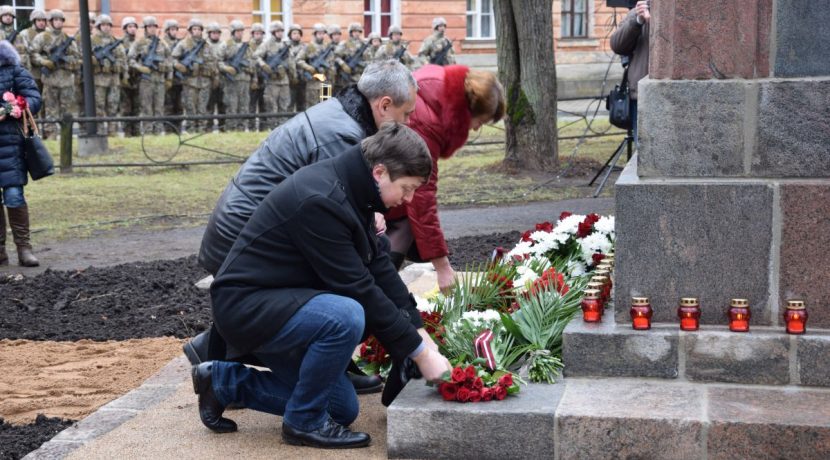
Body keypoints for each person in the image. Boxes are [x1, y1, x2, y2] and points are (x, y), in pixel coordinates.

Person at [194, 122, 452, 448]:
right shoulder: (322, 199)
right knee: (346, 314)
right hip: (248, 306)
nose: (409, 198)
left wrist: (418, 331)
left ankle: (222, 382)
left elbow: (378, 266)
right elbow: (357, 286)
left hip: (283, 302)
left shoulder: (352, 188)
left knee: (340, 408)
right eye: (407, 187)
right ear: (380, 173)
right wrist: (418, 354)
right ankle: (302, 424)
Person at [188, 60, 418, 395]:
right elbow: (343, 227)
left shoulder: (344, 116)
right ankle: (220, 355)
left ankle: (218, 351)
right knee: (345, 276)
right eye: (407, 114)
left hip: (243, 227)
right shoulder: (342, 136)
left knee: (350, 267)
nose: (408, 122)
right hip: (242, 238)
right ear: (384, 105)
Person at [384, 64, 505, 292]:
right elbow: (421, 196)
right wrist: (442, 267)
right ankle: (381, 287)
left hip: (381, 175)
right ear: (469, 109)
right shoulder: (426, 120)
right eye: (481, 120)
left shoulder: (437, 91)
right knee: (404, 219)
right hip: (373, 184)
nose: (477, 128)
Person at [0, 41, 43, 267]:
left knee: (14, 195)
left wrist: (11, 108)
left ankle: (24, 249)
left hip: (10, 143)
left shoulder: (13, 69)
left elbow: (34, 98)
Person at [30, 9, 80, 139]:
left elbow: (77, 59)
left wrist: (65, 61)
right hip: (50, 80)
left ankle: (66, 136)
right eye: (55, 19)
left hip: (66, 81)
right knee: (50, 111)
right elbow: (33, 53)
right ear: (51, 21)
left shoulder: (68, 40)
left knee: (66, 111)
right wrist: (44, 61)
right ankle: (51, 135)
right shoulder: (42, 37)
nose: (58, 22)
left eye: (60, 20)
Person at [610, 0, 650, 142]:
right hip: (641, 95)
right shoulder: (640, 9)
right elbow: (617, 45)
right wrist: (638, 21)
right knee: (643, 149)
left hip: (673, 92)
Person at [128, 16, 171, 135]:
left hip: (160, 80)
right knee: (146, 107)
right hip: (146, 80)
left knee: (159, 107)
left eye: (154, 27)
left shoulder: (162, 43)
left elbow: (170, 60)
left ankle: (158, 131)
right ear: (145, 28)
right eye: (149, 27)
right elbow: (130, 60)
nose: (152, 29)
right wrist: (140, 67)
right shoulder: (139, 43)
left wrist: (168, 77)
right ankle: (147, 132)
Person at [172, 19, 214, 133]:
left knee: (202, 108)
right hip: (190, 82)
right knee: (190, 108)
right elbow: (173, 58)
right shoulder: (184, 44)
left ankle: (201, 130)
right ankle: (191, 130)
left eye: (199, 29)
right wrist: (179, 66)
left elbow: (213, 62)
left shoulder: (207, 46)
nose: (197, 31)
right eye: (194, 29)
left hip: (204, 82)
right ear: (190, 30)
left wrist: (212, 74)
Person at [253, 21, 295, 128]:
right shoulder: (267, 44)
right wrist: (264, 65)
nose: (280, 33)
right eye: (278, 31)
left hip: (284, 81)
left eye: (281, 31)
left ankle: (283, 129)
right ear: (273, 32)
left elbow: (291, 62)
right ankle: (272, 128)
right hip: (272, 82)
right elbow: (256, 56)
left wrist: (293, 75)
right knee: (271, 107)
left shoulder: (285, 45)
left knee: (284, 106)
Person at [90, 14, 126, 135]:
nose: (106, 27)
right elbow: (84, 58)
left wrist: (117, 65)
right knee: (99, 107)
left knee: (113, 106)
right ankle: (100, 131)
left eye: (108, 25)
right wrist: (96, 62)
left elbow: (123, 59)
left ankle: (113, 131)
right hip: (99, 80)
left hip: (113, 80)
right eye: (103, 25)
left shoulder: (115, 41)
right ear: (99, 26)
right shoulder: (92, 40)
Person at [218, 20, 255, 131]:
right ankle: (231, 127)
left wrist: (249, 68)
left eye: (241, 31)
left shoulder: (247, 46)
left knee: (244, 105)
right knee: (231, 105)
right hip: (232, 82)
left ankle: (242, 127)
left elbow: (253, 61)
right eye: (238, 31)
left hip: (244, 80)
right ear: (233, 32)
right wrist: (226, 68)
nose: (240, 33)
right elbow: (218, 61)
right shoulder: (225, 45)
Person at [296, 23, 333, 109]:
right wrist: (308, 67)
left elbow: (331, 62)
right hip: (313, 82)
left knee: (326, 107)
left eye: (323, 33)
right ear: (315, 34)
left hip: (325, 82)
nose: (321, 35)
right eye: (319, 33)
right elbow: (298, 60)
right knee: (312, 107)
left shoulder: (327, 47)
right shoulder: (309, 47)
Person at [120, 16, 141, 136]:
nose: (132, 29)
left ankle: (137, 132)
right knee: (126, 107)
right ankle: (127, 132)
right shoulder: (120, 43)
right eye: (130, 27)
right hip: (125, 79)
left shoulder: (139, 43)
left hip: (137, 78)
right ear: (125, 29)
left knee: (137, 107)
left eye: (134, 27)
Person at [162, 19, 184, 134]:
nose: (174, 32)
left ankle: (178, 130)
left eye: (175, 29)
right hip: (167, 80)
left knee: (179, 107)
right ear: (167, 31)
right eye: (172, 29)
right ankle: (168, 130)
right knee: (168, 107)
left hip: (179, 81)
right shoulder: (162, 43)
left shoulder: (181, 43)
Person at [205, 22, 226, 132]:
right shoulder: (205, 45)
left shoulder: (224, 45)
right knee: (209, 105)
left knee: (222, 105)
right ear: (209, 34)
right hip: (209, 80)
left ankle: (222, 127)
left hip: (222, 80)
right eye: (213, 33)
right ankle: (208, 127)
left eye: (217, 33)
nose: (215, 35)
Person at [247, 22, 266, 131]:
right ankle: (251, 127)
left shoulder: (266, 45)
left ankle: (263, 127)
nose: (258, 35)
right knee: (252, 105)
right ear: (253, 34)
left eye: (260, 33)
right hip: (251, 78)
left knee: (264, 104)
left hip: (264, 77)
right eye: (256, 33)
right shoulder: (248, 46)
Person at [286, 24, 306, 111]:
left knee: (302, 104)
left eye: (298, 33)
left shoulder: (305, 47)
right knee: (289, 103)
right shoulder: (285, 47)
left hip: (302, 79)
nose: (296, 35)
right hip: (290, 80)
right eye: (294, 33)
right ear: (290, 35)